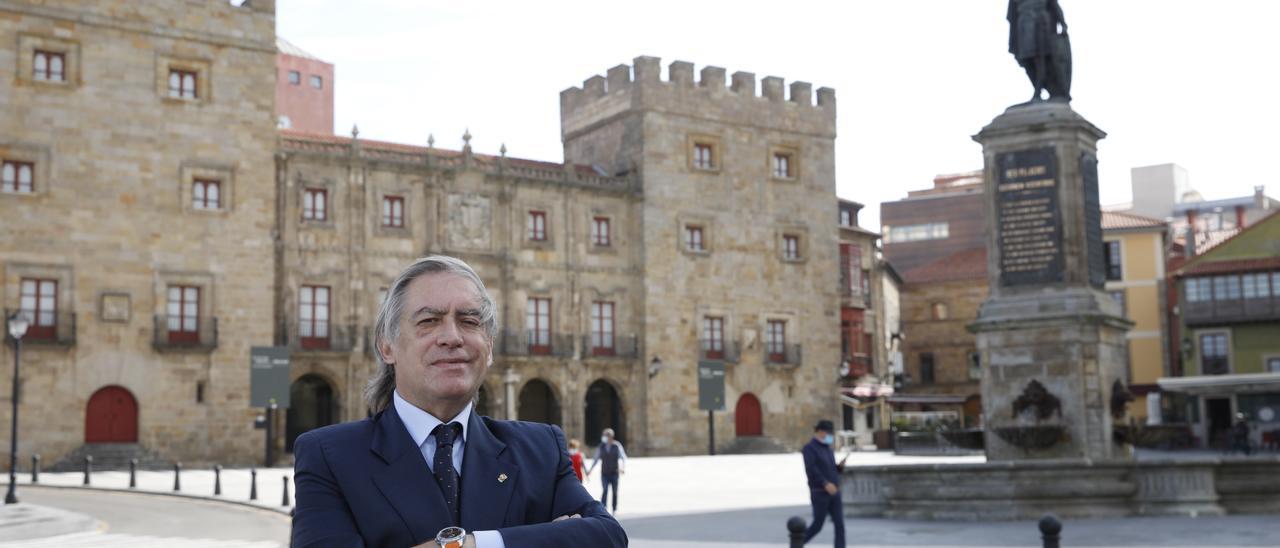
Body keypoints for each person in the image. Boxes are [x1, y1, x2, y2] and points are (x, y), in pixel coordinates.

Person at [292, 256, 627, 548]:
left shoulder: (541, 448)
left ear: (489, 346)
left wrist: (475, 544)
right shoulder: (330, 457)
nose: (452, 337)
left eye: (469, 321)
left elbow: (607, 537)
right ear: (387, 346)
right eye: (428, 321)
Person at [802, 420, 850, 548]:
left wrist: (839, 467)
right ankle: (797, 544)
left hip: (835, 492)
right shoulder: (809, 448)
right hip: (820, 492)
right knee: (818, 525)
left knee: (839, 524)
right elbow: (811, 469)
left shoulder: (828, 448)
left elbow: (830, 468)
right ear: (820, 432)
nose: (830, 436)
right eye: (828, 433)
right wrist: (825, 483)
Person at [585, 428, 627, 513]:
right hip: (604, 473)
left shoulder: (617, 445)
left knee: (615, 491)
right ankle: (603, 508)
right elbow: (596, 459)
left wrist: (622, 467)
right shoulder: (601, 446)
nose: (603, 437)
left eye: (605, 435)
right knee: (605, 490)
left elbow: (622, 457)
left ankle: (614, 508)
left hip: (614, 473)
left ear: (610, 436)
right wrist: (590, 470)